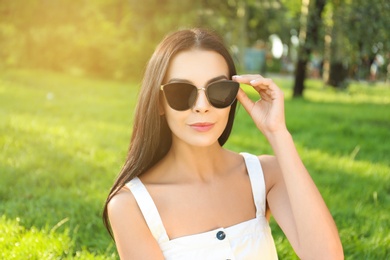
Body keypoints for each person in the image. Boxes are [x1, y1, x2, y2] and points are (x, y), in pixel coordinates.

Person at [102, 28, 343, 259]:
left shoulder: (266, 176)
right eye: (181, 91)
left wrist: (277, 133)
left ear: (233, 95)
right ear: (158, 103)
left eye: (218, 90)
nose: (201, 105)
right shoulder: (130, 205)